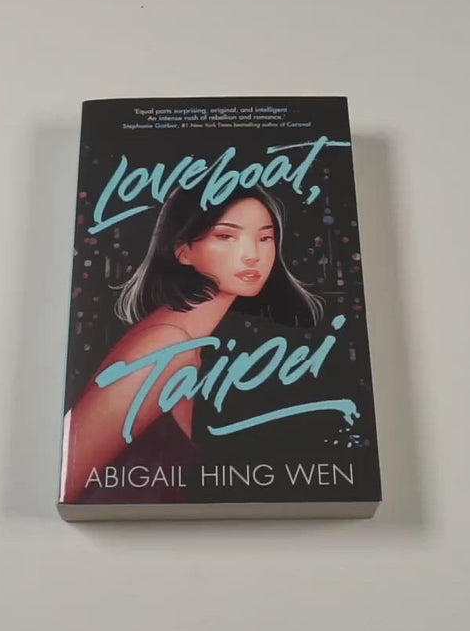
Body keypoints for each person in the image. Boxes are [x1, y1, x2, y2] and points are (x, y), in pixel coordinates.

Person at [61, 185, 322, 502]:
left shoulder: (191, 344)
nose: (252, 254)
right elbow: (69, 475)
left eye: (265, 238)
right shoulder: (164, 344)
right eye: (226, 236)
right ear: (183, 250)